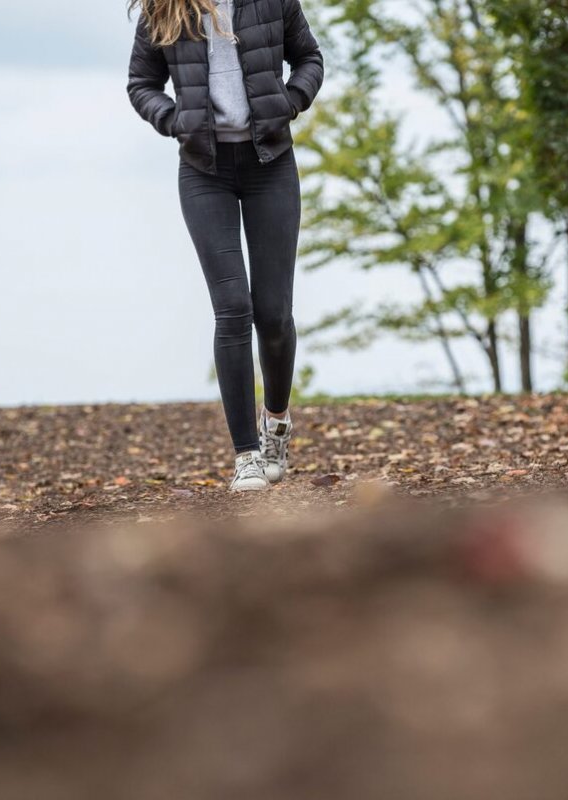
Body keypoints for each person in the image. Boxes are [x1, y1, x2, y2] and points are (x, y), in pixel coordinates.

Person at [127, 0, 323, 492]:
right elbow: (141, 83)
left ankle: (275, 423)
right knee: (233, 308)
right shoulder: (165, 8)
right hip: (204, 172)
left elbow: (309, 59)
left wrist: (291, 102)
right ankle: (247, 456)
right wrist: (174, 121)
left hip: (270, 164)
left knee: (273, 314)